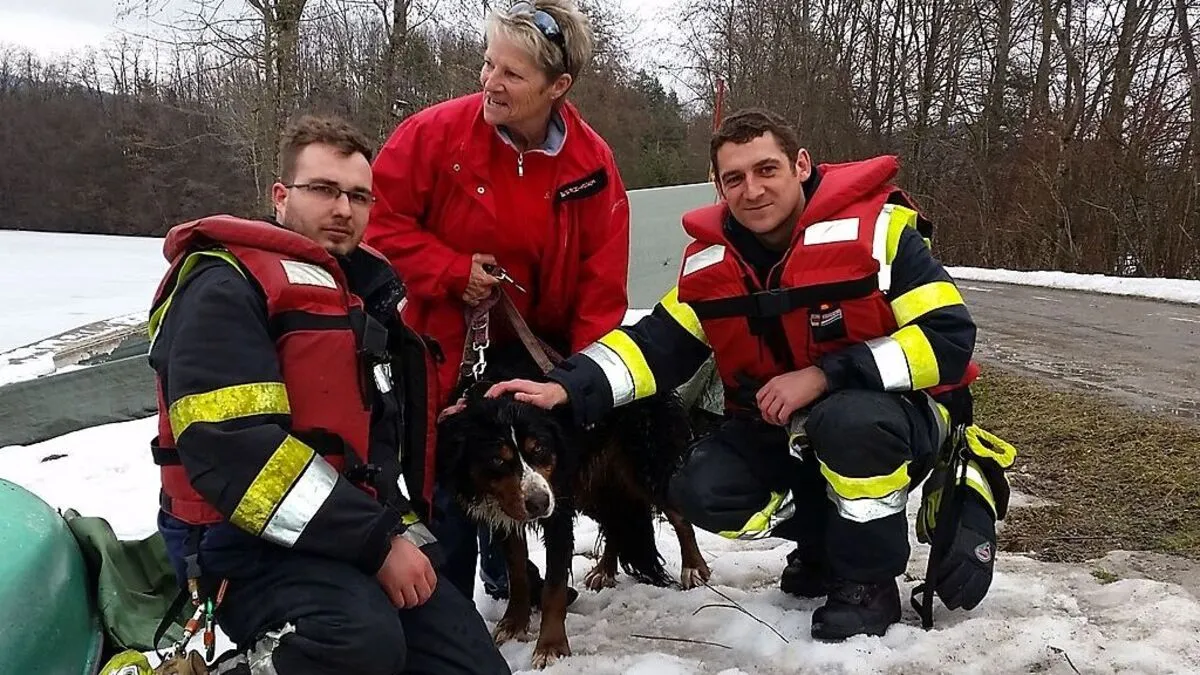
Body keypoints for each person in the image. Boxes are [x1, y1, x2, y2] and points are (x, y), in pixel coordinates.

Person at [489, 108, 1010, 641]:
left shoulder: (881, 234)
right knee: (698, 486)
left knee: (849, 422)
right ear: (718, 186)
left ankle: (867, 584)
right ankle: (823, 543)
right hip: (784, 433)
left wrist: (827, 375)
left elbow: (947, 337)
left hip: (897, 421)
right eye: (734, 178)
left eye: (767, 170)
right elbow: (651, 348)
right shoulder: (712, 266)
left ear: (801, 165)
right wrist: (567, 386)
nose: (753, 190)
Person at [148, 114, 511, 674]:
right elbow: (234, 454)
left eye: (359, 196)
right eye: (322, 190)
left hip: (345, 530)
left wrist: (410, 540)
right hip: (240, 543)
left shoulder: (362, 299)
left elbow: (373, 456)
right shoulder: (223, 287)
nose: (343, 209)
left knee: (471, 665)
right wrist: (378, 545)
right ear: (280, 196)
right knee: (358, 640)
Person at [364, 0, 630, 604]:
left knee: (526, 463)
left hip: (544, 356)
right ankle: (448, 608)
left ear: (556, 87)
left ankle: (507, 570)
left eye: (510, 74)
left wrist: (577, 379)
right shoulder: (433, 135)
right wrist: (450, 270)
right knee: (446, 475)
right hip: (446, 345)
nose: (490, 83)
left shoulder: (594, 166)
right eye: (488, 65)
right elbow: (376, 225)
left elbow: (602, 285)